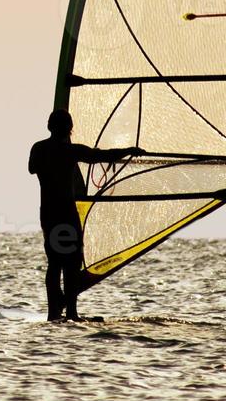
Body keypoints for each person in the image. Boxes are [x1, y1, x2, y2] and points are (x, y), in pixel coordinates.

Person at [28, 109, 143, 321]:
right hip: (66, 213)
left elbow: (31, 168)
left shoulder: (39, 148)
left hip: (48, 214)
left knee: (54, 263)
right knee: (71, 263)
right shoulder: (71, 151)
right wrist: (129, 150)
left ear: (49, 127)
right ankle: (71, 312)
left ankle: (53, 312)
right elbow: (102, 155)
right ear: (70, 129)